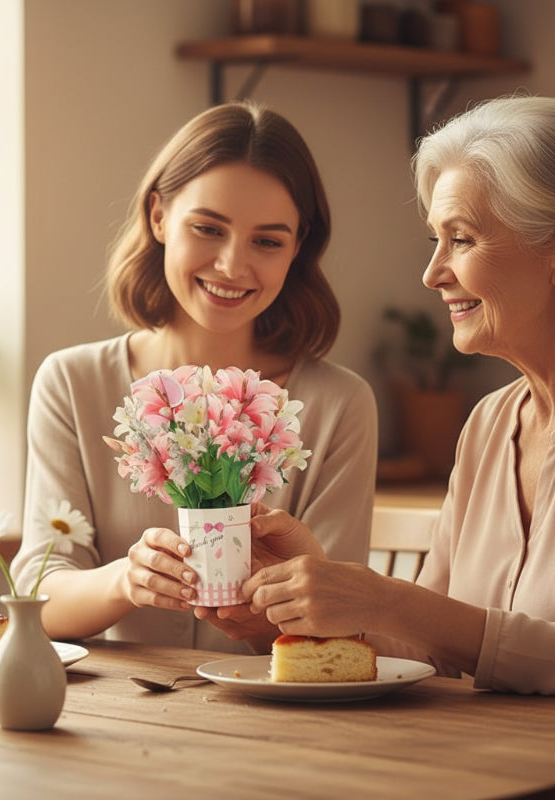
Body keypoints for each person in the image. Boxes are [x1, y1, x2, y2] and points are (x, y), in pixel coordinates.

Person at [10, 101, 377, 655]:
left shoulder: (341, 405)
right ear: (158, 216)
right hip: (116, 721)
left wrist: (269, 608)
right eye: (208, 228)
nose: (232, 265)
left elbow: (342, 622)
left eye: (268, 241)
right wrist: (125, 580)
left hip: (283, 727)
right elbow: (38, 596)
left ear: (298, 245)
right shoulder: (72, 382)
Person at [221, 95, 555, 692]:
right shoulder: (489, 424)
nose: (432, 273)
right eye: (436, 239)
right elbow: (437, 653)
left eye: (463, 239)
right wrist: (304, 597)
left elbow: (426, 621)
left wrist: (388, 601)